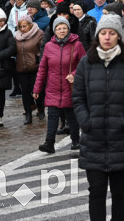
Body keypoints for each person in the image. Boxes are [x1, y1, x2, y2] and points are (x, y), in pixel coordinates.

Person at [73, 13, 124, 221]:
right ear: (97, 36)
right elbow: (77, 97)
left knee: (120, 192)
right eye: (103, 33)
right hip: (93, 138)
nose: (107, 37)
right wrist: (86, 122)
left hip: (120, 138)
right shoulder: (86, 63)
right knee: (96, 192)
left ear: (118, 37)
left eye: (112, 33)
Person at [34, 15, 86, 153]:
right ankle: (49, 143)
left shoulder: (77, 45)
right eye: (58, 28)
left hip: (70, 87)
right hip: (53, 87)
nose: (62, 30)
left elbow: (85, 64)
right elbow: (42, 69)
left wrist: (74, 74)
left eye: (64, 28)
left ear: (68, 29)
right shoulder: (49, 46)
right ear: (54, 30)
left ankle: (76, 141)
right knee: (52, 116)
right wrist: (37, 88)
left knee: (71, 116)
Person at [14, 16, 45, 124]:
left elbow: (43, 49)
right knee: (25, 92)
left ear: (30, 25)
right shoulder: (17, 36)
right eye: (20, 26)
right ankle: (28, 114)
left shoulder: (39, 34)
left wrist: (38, 59)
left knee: (37, 90)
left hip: (35, 67)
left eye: (25, 26)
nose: (22, 28)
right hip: (21, 67)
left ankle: (41, 108)